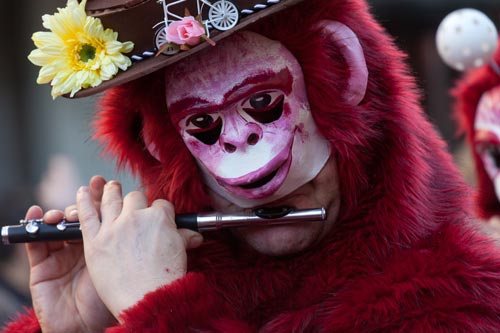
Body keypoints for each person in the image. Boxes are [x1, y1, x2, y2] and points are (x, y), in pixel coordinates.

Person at [4, 0, 500, 332]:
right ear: (160, 146)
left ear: (345, 77)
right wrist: (74, 326)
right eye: (202, 124)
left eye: (263, 101)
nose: (247, 157)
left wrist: (165, 309)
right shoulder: (154, 284)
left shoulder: (459, 305)